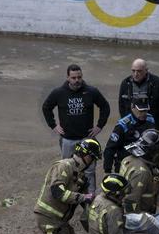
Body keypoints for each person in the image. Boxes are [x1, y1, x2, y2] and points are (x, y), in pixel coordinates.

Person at [41, 64, 110, 192]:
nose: (77, 80)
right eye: (73, 78)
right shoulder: (59, 93)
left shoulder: (91, 91)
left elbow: (105, 107)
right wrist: (53, 125)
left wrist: (100, 126)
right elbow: (46, 107)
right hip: (67, 139)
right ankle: (69, 196)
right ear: (68, 78)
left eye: (79, 77)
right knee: (67, 168)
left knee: (89, 170)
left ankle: (90, 197)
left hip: (87, 139)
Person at [117, 58, 159, 135]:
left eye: (139, 71)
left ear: (146, 70)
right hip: (132, 127)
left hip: (154, 126)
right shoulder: (126, 83)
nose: (136, 74)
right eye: (133, 71)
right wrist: (125, 126)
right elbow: (122, 106)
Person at [104, 95, 155, 173]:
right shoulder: (123, 125)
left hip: (146, 164)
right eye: (141, 111)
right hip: (125, 166)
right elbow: (110, 149)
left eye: (145, 110)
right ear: (132, 107)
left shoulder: (150, 120)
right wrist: (107, 171)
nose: (144, 114)